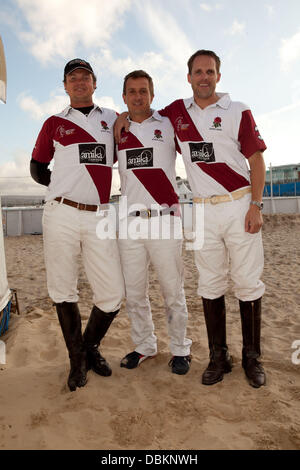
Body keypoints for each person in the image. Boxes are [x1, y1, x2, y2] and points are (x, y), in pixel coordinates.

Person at [115, 51, 266, 388]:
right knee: (210, 283)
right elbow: (139, 112)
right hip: (201, 210)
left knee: (247, 283)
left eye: (209, 71)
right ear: (188, 77)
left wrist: (256, 204)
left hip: (239, 203)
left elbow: (256, 159)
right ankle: (218, 358)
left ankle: (252, 360)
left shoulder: (237, 110)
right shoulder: (175, 114)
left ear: (218, 76)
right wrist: (121, 116)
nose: (203, 77)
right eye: (198, 72)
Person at [30, 58, 125, 392]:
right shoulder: (54, 123)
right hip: (61, 214)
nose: (80, 82)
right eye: (73, 78)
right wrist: (63, 186)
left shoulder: (113, 119)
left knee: (113, 294)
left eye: (86, 77)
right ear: (65, 86)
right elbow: (37, 168)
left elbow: (132, 140)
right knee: (63, 289)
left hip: (99, 213)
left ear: (95, 83)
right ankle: (77, 361)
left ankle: (88, 346)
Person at [116, 70, 192, 375]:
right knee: (134, 293)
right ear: (124, 97)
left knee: (172, 290)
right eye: (132, 92)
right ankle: (145, 346)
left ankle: (180, 349)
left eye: (143, 91)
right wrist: (122, 116)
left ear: (152, 94)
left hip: (165, 219)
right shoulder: (116, 129)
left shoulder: (168, 122)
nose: (137, 96)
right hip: (129, 223)